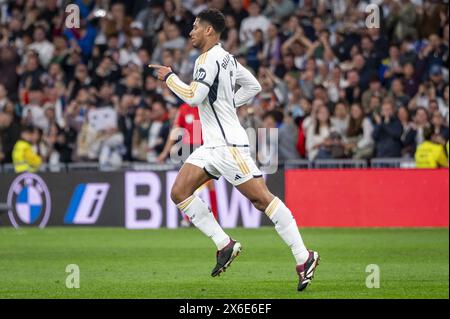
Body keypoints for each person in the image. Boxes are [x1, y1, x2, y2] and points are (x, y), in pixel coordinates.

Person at [150, 9, 319, 292]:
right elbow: (253, 85)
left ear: (209, 31)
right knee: (179, 192)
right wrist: (228, 104)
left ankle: (305, 257)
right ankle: (224, 244)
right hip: (212, 146)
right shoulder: (228, 58)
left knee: (262, 200)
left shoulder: (207, 59)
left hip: (228, 146)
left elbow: (194, 97)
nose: (190, 32)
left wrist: (169, 78)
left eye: (195, 27)